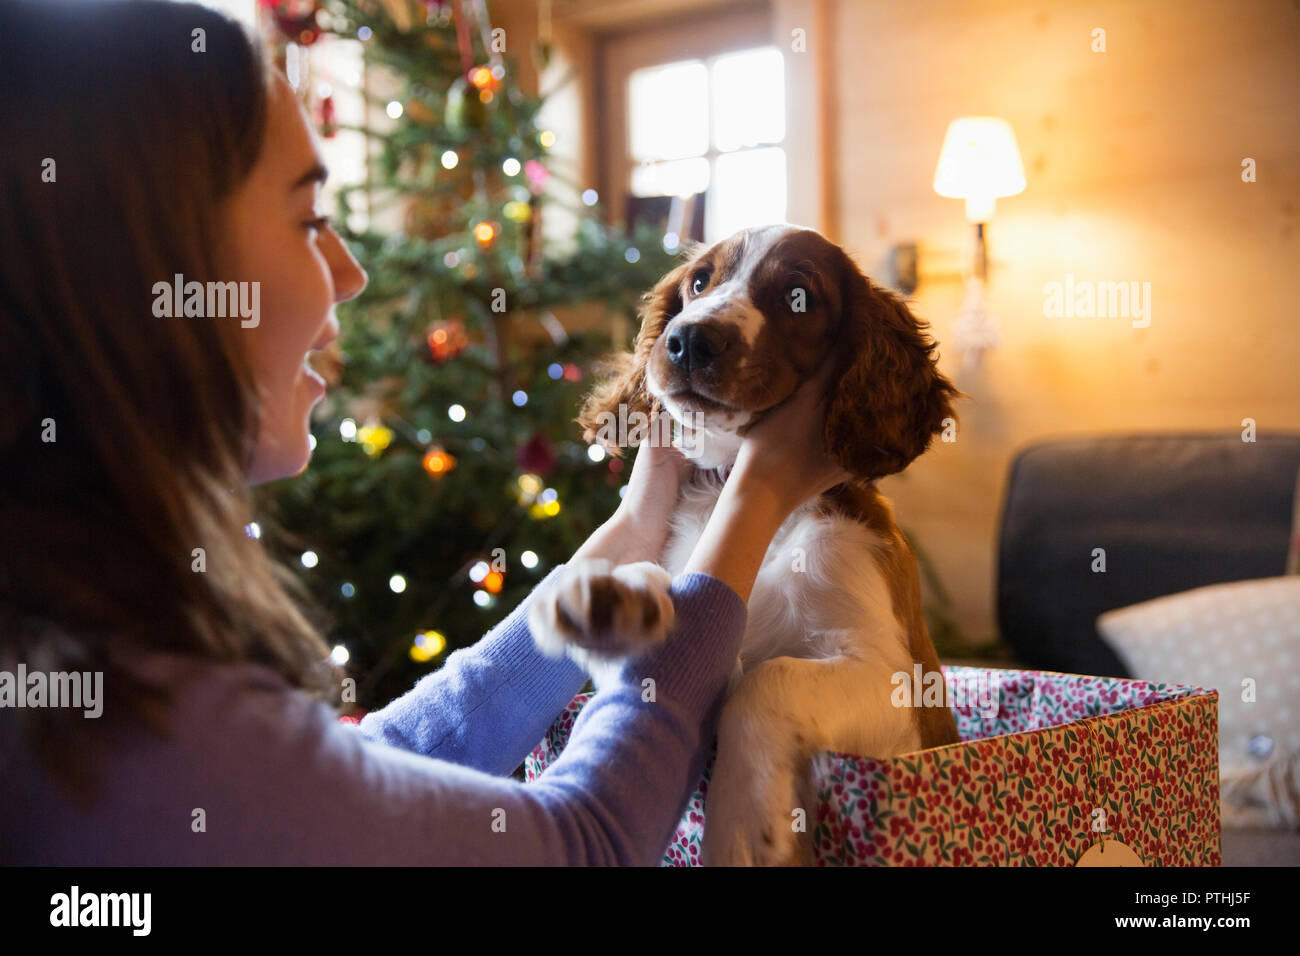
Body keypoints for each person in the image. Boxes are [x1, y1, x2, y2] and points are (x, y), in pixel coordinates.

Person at [0, 0, 849, 865]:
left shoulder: (76, 658)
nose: (351, 271)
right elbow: (582, 848)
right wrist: (758, 498)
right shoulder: (132, 715)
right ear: (150, 271)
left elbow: (374, 772)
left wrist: (630, 532)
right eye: (308, 219)